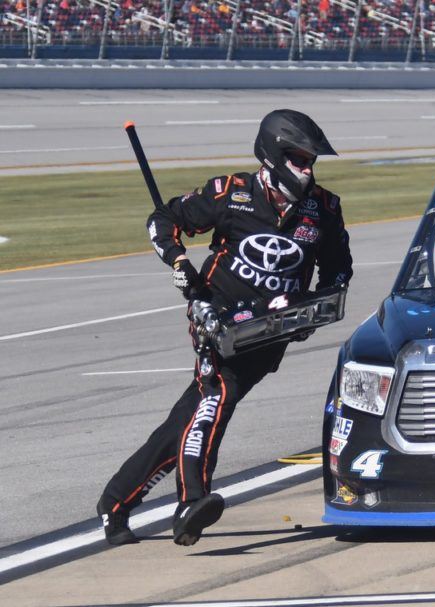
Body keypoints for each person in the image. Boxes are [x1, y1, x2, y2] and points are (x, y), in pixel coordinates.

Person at [96, 109, 353, 546]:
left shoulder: (324, 209)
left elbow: (338, 272)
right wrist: (179, 264)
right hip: (217, 320)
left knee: (186, 418)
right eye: (299, 159)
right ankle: (191, 500)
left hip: (271, 334)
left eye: (312, 162)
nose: (308, 170)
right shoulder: (230, 192)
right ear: (272, 155)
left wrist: (311, 309)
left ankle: (115, 504)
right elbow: (163, 221)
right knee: (218, 396)